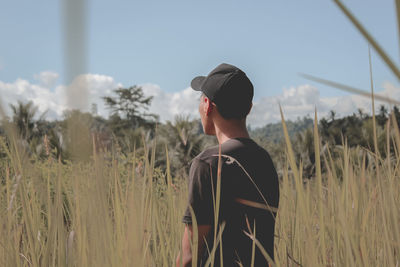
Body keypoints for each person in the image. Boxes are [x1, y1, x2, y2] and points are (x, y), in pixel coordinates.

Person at [176, 63, 279, 267]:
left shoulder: (208, 164)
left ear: (207, 105)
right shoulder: (265, 160)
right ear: (249, 108)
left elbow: (189, 255)